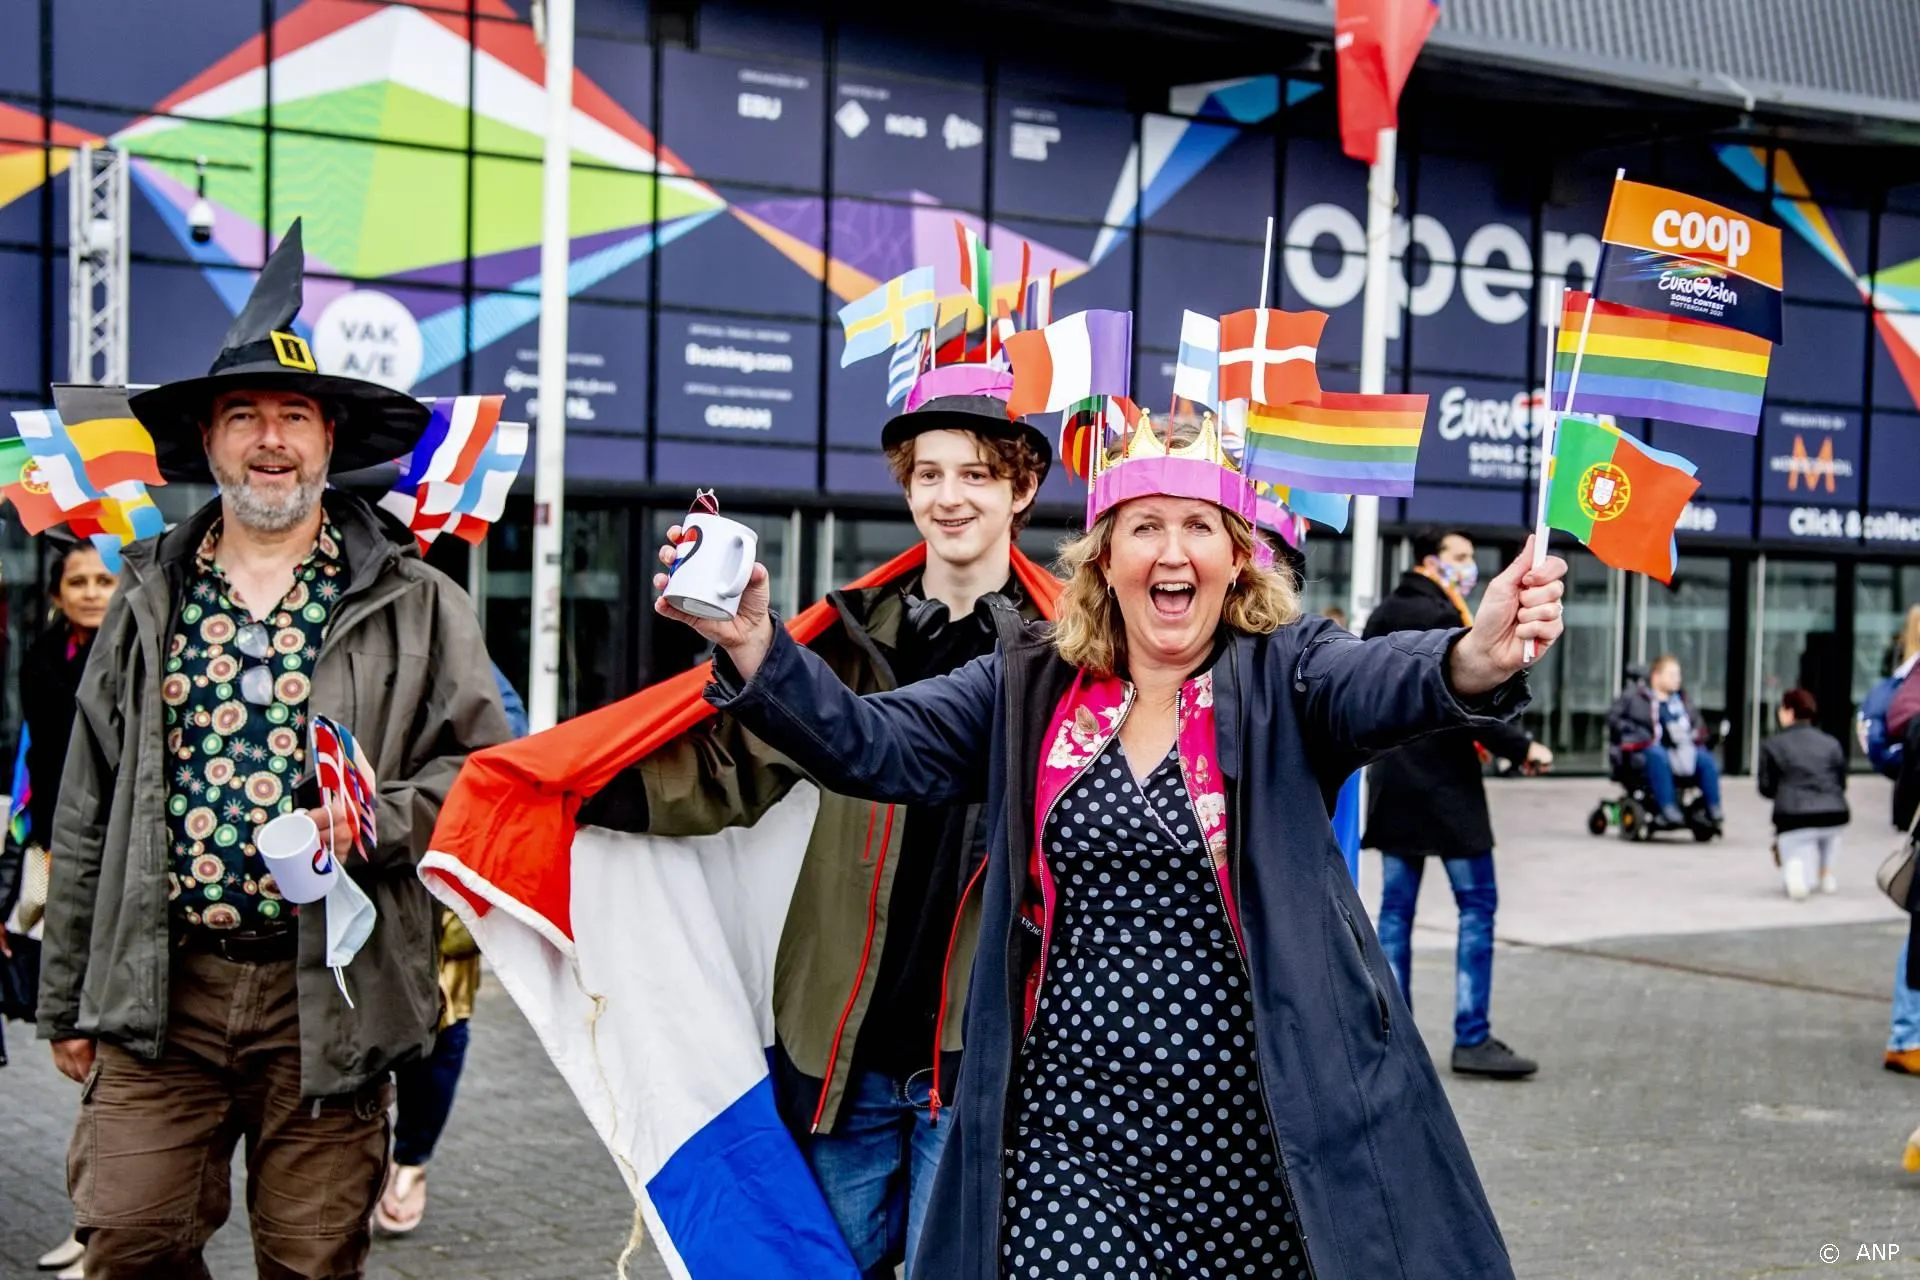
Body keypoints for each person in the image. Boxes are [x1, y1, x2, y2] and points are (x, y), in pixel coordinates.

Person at [652, 406, 1568, 1280]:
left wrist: (1474, 657)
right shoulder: (1028, 682)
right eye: (1145, 527)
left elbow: (1390, 682)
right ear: (1105, 558)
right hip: (1070, 1137)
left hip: (1264, 1136)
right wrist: (756, 648)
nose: (1172, 552)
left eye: (1199, 528)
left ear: (1236, 558)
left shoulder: (1290, 674)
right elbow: (870, 741)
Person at [36, 219, 510, 1279]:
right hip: (161, 989)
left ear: (329, 439)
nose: (270, 439)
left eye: (294, 415)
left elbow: (483, 779)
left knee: (310, 1259)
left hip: (330, 996)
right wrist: (67, 995)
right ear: (206, 439)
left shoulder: (418, 601)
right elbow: (86, 796)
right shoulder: (146, 595)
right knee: (128, 1237)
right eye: (244, 414)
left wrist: (373, 820)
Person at [579, 363, 1053, 1278]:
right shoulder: (844, 640)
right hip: (844, 1048)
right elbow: (731, 770)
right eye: (928, 474)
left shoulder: (1065, 657)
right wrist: (571, 790)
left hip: (979, 1055)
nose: (948, 498)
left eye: (975, 475)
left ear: (1022, 487)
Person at [1363, 528, 1552, 1080]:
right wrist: (1521, 747)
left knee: (1396, 914)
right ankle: (1471, 1036)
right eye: (1460, 557)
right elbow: (1465, 695)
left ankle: (1396, 1038)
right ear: (1431, 561)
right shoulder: (1440, 615)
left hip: (1397, 783)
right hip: (1446, 789)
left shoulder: (1385, 613)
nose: (1469, 567)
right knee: (1478, 905)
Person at [374, 664, 530, 1236]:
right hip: (343, 870)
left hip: (435, 868)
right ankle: (352, 1159)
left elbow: (505, 734)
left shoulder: (443, 625)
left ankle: (410, 1159)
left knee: (442, 1024)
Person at [2, 538, 119, 1280]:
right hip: (60, 864)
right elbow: (31, 768)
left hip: (125, 870)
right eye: (77, 580)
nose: (90, 590)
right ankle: (94, 1223)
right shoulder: (43, 659)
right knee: (84, 1056)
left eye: (105, 578)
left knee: (113, 1057)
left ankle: (104, 1228)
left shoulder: (139, 655)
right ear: (56, 593)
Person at [1608, 653, 1724, 828]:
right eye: (1672, 675)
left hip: (1680, 749)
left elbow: (1697, 724)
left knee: (1705, 759)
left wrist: (1701, 737)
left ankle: (1713, 807)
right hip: (1645, 749)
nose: (1677, 679)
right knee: (1658, 755)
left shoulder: (1682, 700)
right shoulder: (1634, 697)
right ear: (1656, 676)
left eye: (1678, 675)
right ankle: (1667, 807)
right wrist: (1637, 735)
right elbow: (1614, 719)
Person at [1758, 688, 1849, 900]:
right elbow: (1841, 782)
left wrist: (1782, 793)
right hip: (1835, 812)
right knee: (1830, 832)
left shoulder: (1773, 745)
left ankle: (1795, 868)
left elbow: (1766, 788)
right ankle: (1826, 873)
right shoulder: (1831, 743)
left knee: (1793, 843)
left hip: (1793, 815)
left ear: (1789, 712)